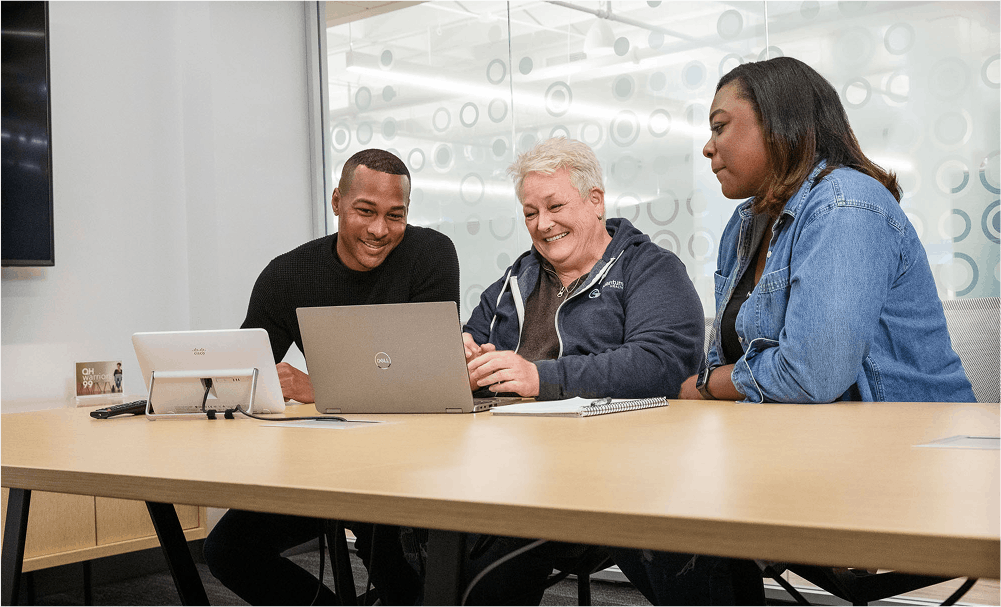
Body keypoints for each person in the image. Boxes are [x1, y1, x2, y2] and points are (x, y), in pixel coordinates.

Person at [611, 56, 975, 607]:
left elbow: (812, 372)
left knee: (677, 513)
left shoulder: (846, 205)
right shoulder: (747, 223)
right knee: (627, 496)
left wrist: (711, 386)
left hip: (901, 464)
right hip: (799, 448)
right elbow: (736, 353)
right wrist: (715, 383)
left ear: (781, 123)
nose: (707, 148)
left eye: (719, 126)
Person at [203, 149, 460, 606]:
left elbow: (430, 380)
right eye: (365, 210)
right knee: (227, 550)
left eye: (394, 216)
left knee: (408, 581)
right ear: (338, 201)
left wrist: (314, 388)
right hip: (327, 467)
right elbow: (246, 372)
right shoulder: (289, 275)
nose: (380, 230)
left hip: (414, 463)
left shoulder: (430, 255)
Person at [460, 137, 705, 606]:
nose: (542, 224)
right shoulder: (517, 278)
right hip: (514, 468)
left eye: (554, 206)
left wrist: (541, 379)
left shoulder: (650, 269)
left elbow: (661, 364)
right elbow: (472, 338)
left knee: (687, 555)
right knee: (452, 553)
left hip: (620, 470)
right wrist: (464, 362)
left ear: (596, 202)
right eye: (530, 213)